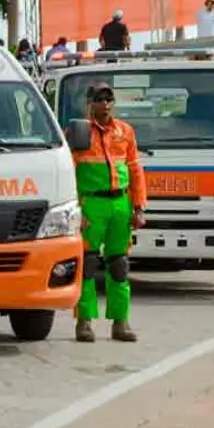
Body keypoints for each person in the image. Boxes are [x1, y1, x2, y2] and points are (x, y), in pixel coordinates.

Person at [73, 81, 145, 343]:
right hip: (91, 205)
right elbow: (69, 172)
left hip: (120, 204)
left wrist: (138, 207)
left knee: (119, 265)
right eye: (99, 99)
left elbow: (136, 170)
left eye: (109, 99)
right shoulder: (79, 133)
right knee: (87, 264)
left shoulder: (125, 131)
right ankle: (84, 321)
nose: (105, 104)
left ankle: (120, 321)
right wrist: (75, 209)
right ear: (89, 103)